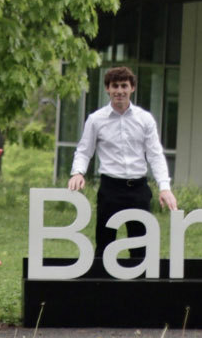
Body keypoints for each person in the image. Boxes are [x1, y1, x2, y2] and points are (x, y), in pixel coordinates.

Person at [67, 66, 178, 260]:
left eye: (124, 86)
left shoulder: (145, 119)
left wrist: (164, 187)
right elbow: (84, 151)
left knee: (141, 248)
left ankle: (139, 288)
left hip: (138, 188)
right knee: (105, 245)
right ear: (107, 89)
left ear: (132, 88)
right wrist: (78, 172)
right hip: (111, 188)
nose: (119, 91)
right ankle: (102, 287)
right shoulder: (96, 120)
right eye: (115, 86)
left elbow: (155, 154)